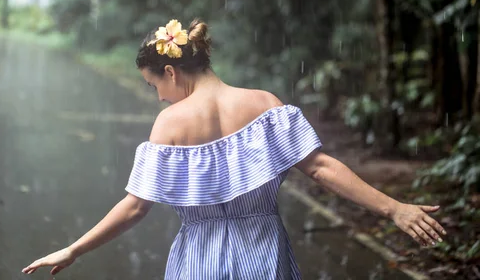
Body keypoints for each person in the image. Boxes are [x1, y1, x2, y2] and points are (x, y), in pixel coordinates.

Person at [22, 18, 446, 279]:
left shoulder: (169, 125)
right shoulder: (264, 105)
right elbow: (321, 168)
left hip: (197, 259)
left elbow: (135, 208)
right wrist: (395, 208)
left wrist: (75, 248)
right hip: (264, 253)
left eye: (156, 86)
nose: (159, 98)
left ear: (171, 71)